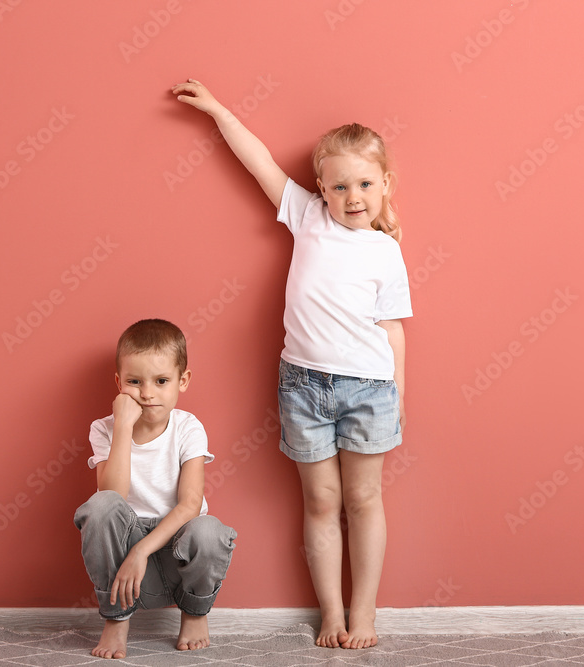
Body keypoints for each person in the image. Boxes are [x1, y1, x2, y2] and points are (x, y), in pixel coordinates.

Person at [171, 79, 411, 649]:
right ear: (321, 189)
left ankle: (366, 614)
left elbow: (393, 329)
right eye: (339, 186)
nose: (353, 196)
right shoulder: (308, 217)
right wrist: (219, 112)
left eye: (365, 184)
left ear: (385, 186)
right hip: (303, 385)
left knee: (364, 499)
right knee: (322, 500)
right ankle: (331, 614)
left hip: (369, 389)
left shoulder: (386, 251)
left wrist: (398, 393)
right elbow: (258, 161)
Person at [73, 318, 237, 659]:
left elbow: (190, 504)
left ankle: (194, 613)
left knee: (209, 530)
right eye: (135, 382)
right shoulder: (103, 429)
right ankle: (116, 619)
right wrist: (122, 426)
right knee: (99, 506)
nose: (147, 393)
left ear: (183, 380)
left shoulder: (187, 427)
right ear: (119, 384)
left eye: (161, 381)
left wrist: (142, 551)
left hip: (173, 553)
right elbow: (112, 496)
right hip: (125, 570)